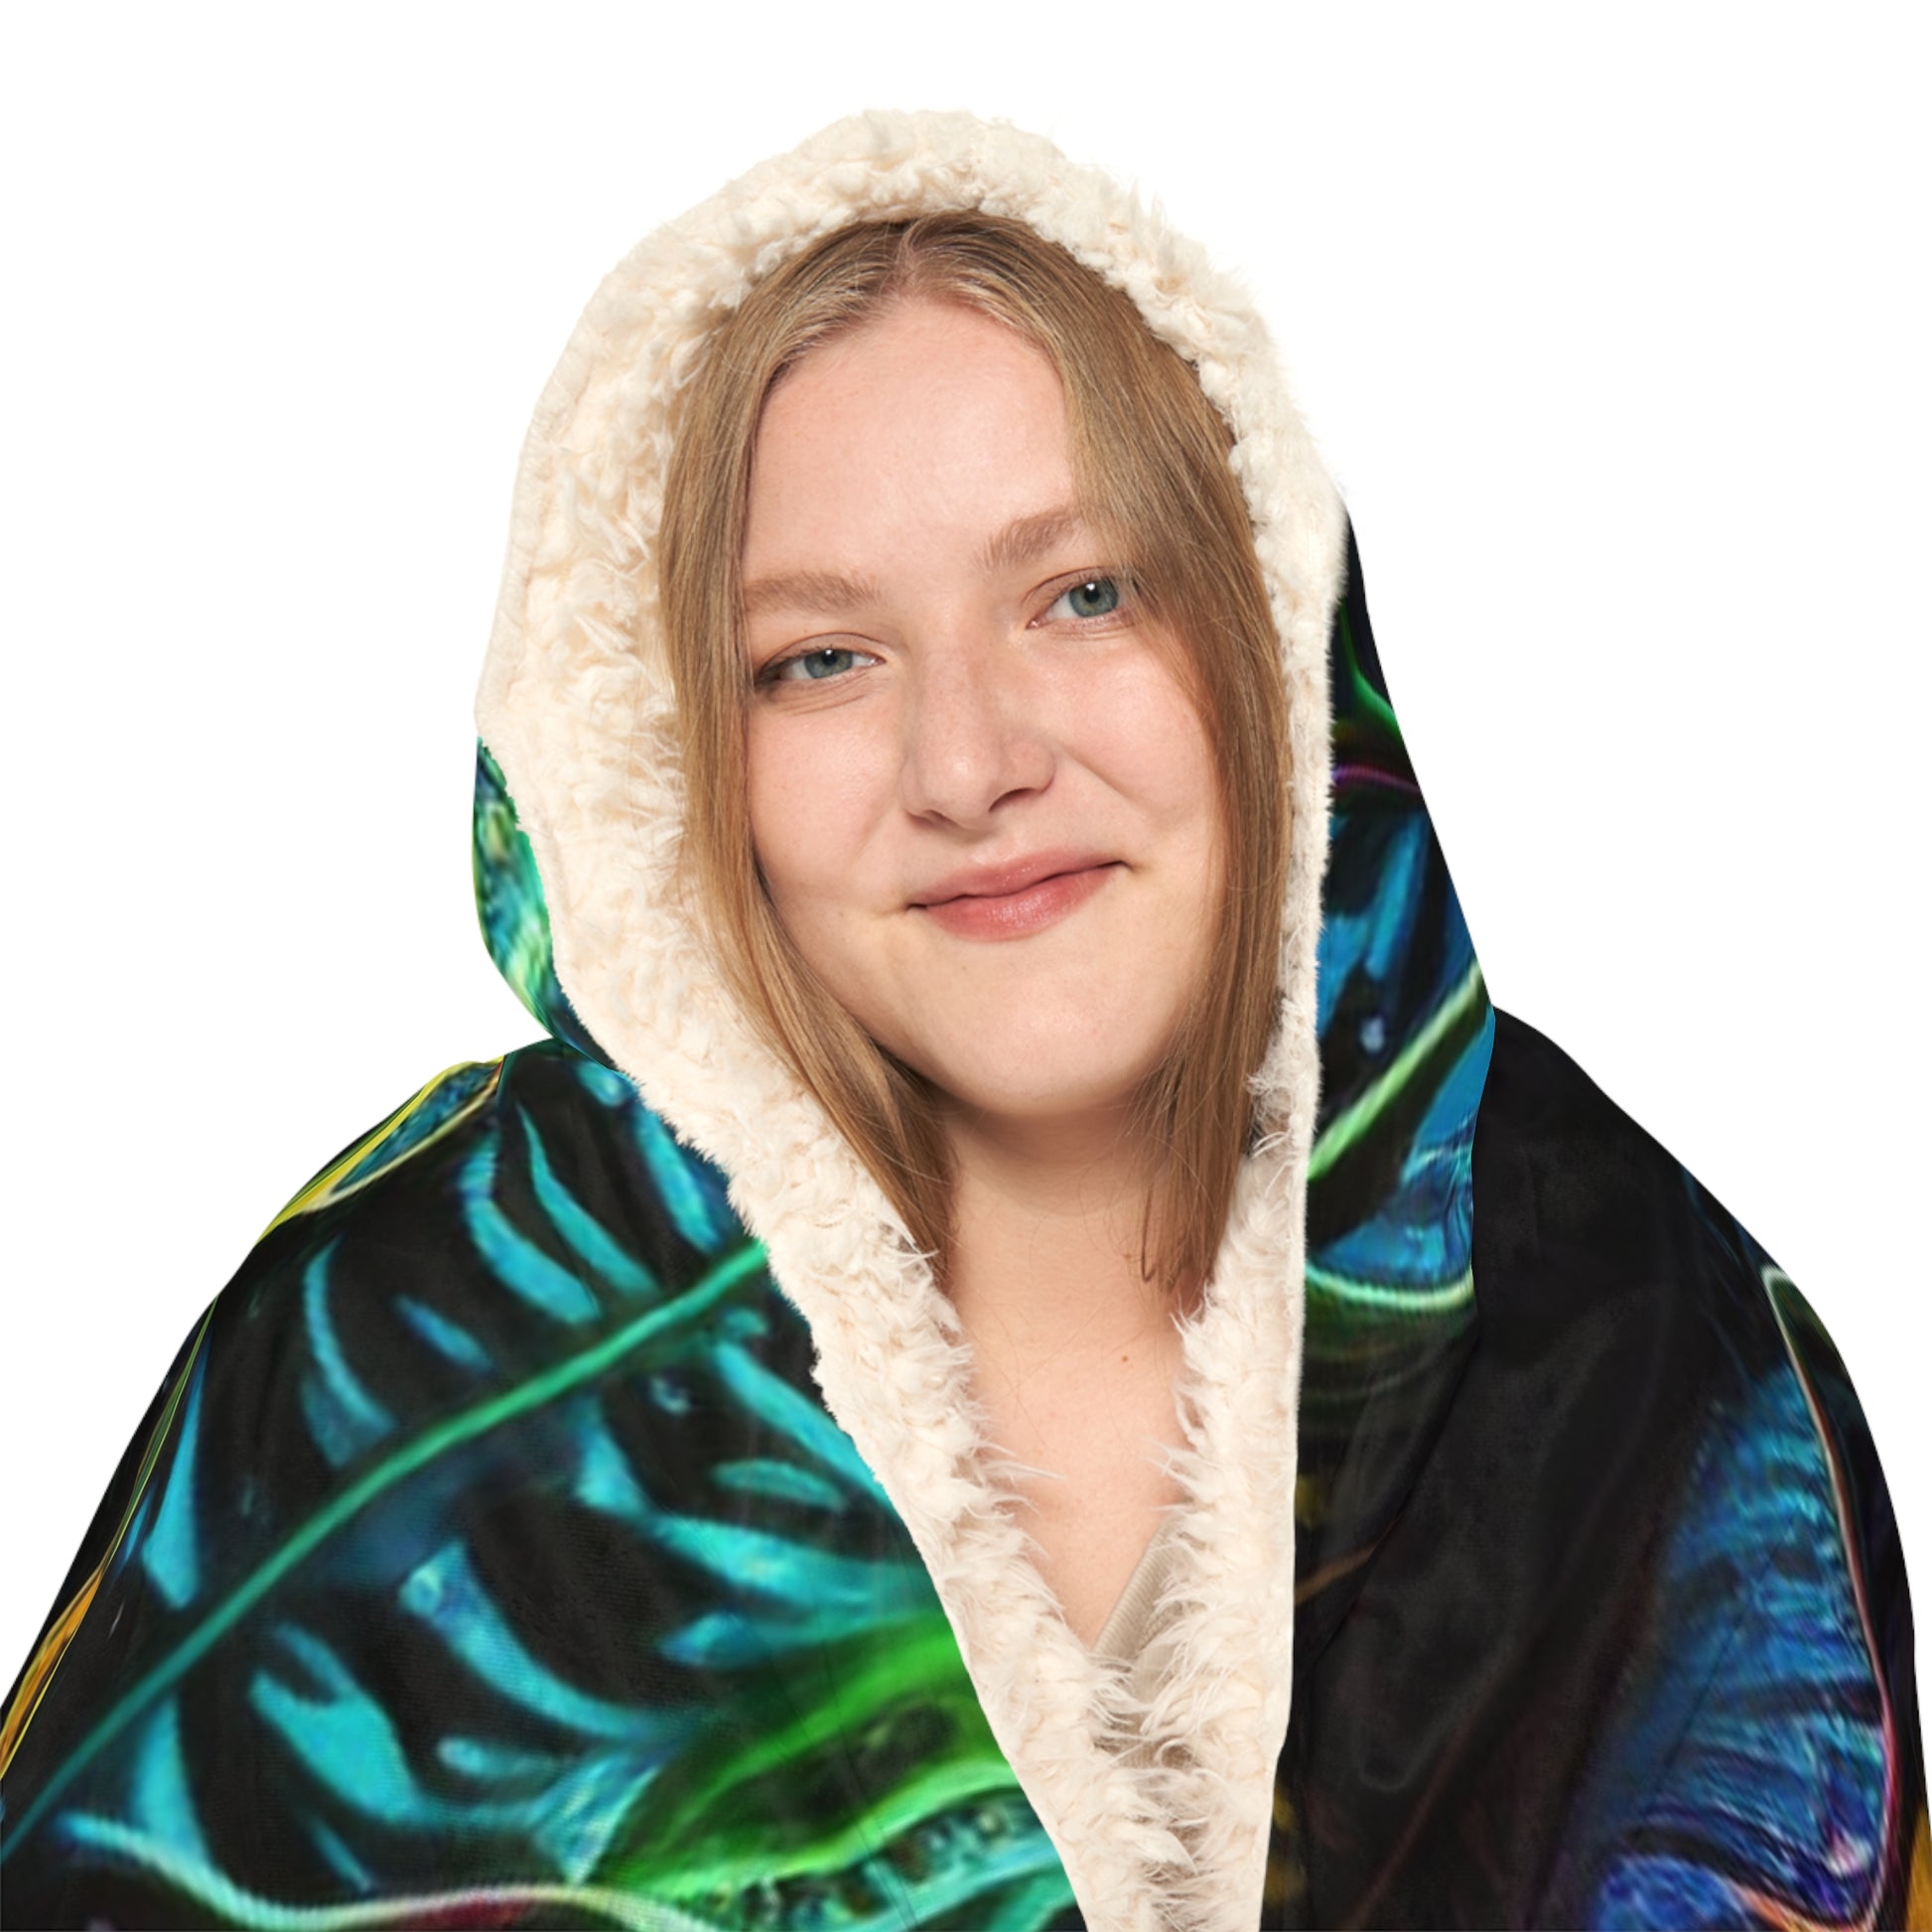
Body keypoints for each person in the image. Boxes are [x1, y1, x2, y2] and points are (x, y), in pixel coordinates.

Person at [0, 107, 1922, 1932]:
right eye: (818, 658)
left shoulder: (1648, 1333)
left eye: (1084, 594)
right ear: (669, 759)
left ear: (1270, 634)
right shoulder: (397, 1350)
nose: (970, 761)